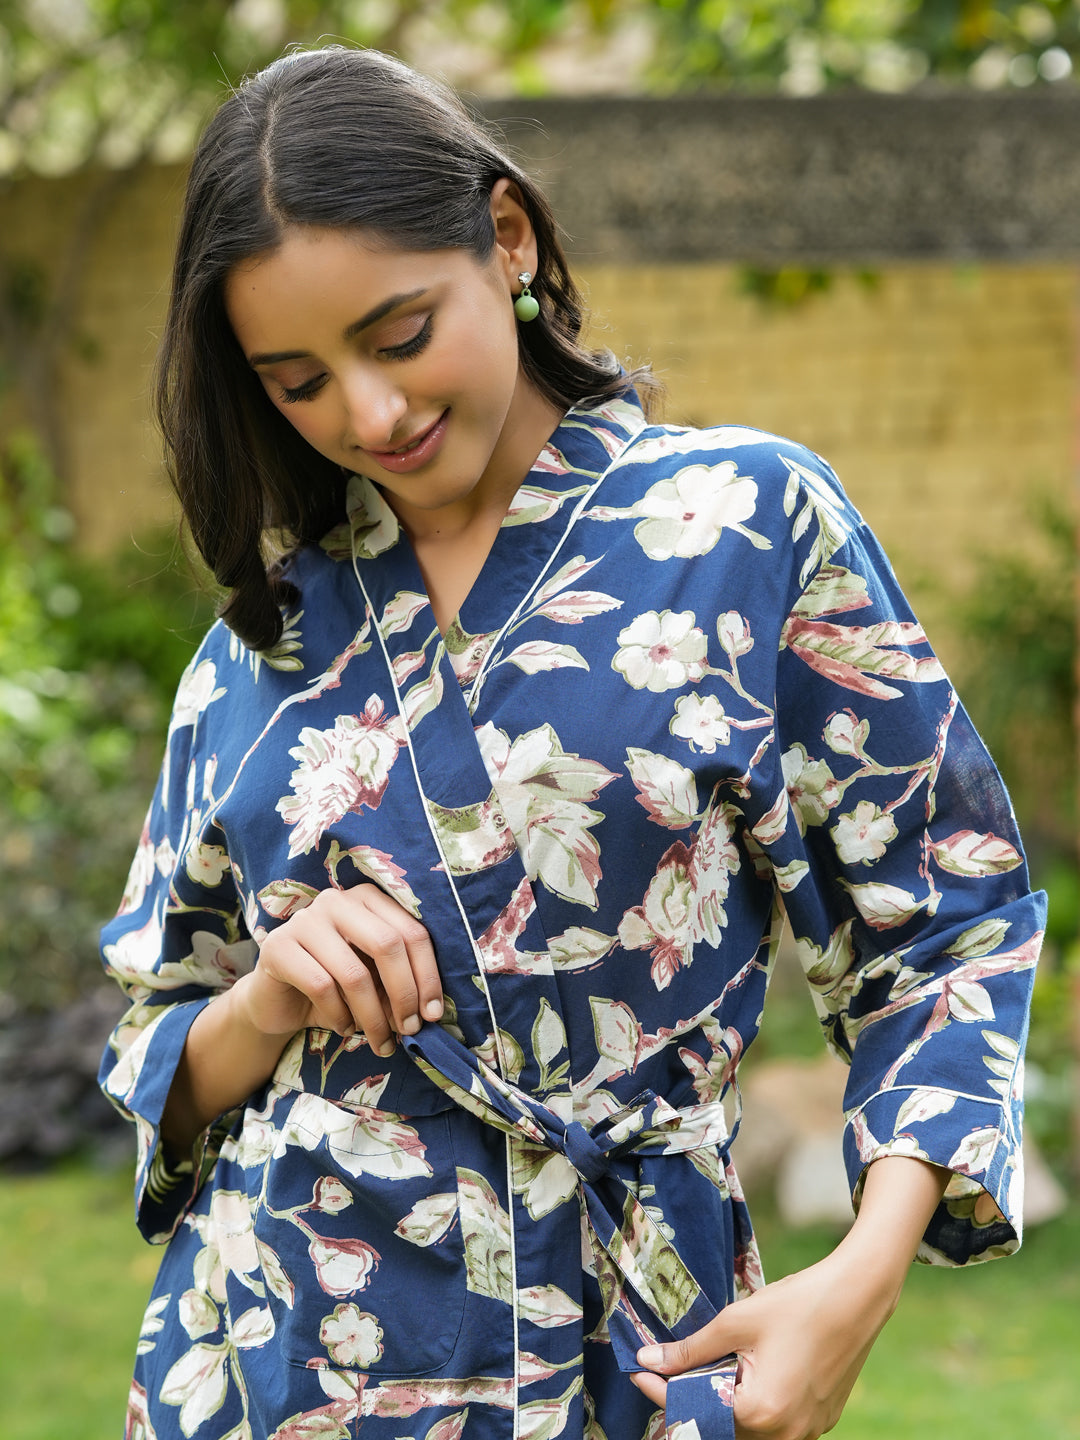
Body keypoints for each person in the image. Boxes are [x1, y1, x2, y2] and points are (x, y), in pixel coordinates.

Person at [99, 44, 1043, 1440]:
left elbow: (949, 926)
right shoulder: (262, 644)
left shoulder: (745, 526)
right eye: (296, 380)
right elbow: (155, 1049)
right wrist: (265, 1000)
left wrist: (861, 1276)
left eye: (400, 334)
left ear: (505, 238)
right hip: (274, 1354)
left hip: (634, 1354)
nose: (369, 415)